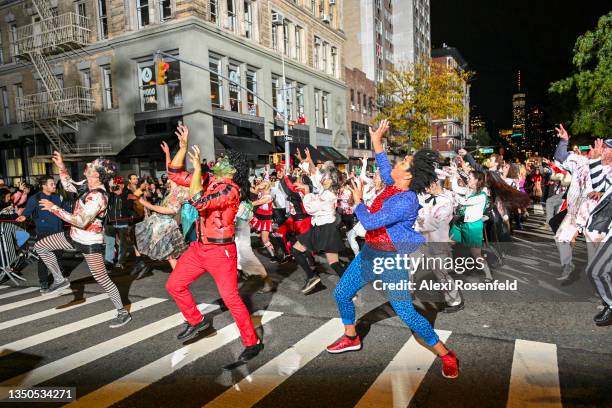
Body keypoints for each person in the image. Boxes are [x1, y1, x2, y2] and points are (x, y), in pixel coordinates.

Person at [326, 120, 460, 379]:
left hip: (390, 259)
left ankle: (446, 354)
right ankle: (351, 337)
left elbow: (371, 221)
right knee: (342, 293)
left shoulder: (406, 200)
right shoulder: (392, 184)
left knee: (406, 313)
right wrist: (376, 140)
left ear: (408, 175)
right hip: (369, 253)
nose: (396, 165)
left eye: (402, 164)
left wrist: (357, 201)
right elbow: (386, 167)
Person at [164, 125, 263, 362]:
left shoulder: (231, 190)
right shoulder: (209, 180)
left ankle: (252, 342)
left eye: (224, 159)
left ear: (232, 168)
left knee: (231, 298)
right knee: (174, 285)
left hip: (220, 252)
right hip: (198, 248)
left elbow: (199, 202)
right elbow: (174, 174)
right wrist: (182, 148)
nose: (218, 159)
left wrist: (198, 169)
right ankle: (197, 321)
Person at [33, 151, 132, 328]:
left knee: (102, 279)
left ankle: (122, 312)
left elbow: (80, 221)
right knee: (41, 246)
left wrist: (53, 208)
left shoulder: (98, 196)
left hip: (89, 242)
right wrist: (61, 167)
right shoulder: (87, 185)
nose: (88, 165)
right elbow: (69, 185)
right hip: (73, 236)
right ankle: (59, 279)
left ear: (97, 174)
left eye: (92, 165)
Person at [292, 149, 346, 294]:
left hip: (325, 229)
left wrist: (307, 192)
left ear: (332, 180)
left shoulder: (328, 194)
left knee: (297, 250)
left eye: (326, 177)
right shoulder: (325, 189)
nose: (323, 179)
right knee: (334, 263)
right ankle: (348, 287)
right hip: (322, 228)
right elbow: (315, 175)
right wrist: (308, 161)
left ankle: (312, 277)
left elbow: (310, 208)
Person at [17, 176, 70, 293]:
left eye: (54, 183)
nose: (54, 185)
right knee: (43, 258)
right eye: (51, 184)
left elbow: (67, 211)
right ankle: (44, 283)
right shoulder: (35, 198)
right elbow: (28, 211)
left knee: (58, 256)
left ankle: (59, 280)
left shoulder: (58, 197)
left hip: (58, 231)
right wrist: (23, 216)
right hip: (44, 233)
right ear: (44, 186)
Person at [135, 177, 189, 271]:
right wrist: (170, 163)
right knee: (170, 255)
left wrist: (140, 200)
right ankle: (179, 273)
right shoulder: (174, 195)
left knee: (170, 255)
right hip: (160, 225)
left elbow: (154, 207)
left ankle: (179, 274)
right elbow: (172, 175)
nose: (171, 190)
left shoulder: (173, 208)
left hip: (166, 228)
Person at [104, 176, 134, 272]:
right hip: (110, 222)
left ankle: (121, 261)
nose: (116, 187)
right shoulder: (110, 194)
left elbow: (129, 207)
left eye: (118, 185)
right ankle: (109, 263)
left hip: (123, 222)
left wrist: (121, 195)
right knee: (109, 243)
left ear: (122, 185)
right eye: (114, 185)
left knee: (122, 244)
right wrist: (110, 193)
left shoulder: (128, 194)